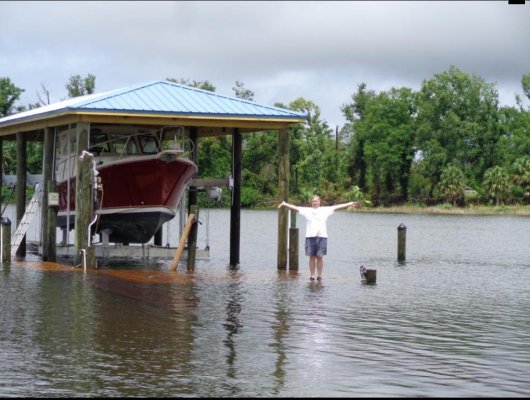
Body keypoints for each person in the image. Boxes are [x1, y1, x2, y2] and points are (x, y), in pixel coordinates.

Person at [278, 195, 359, 282]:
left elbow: (338, 207)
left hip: (322, 237)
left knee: (320, 257)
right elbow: (295, 208)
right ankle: (312, 275)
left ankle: (319, 275)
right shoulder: (307, 211)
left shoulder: (325, 210)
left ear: (319, 202)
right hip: (310, 237)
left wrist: (350, 203)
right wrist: (284, 204)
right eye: (313, 201)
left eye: (316, 201)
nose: (314, 203)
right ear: (311, 203)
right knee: (312, 257)